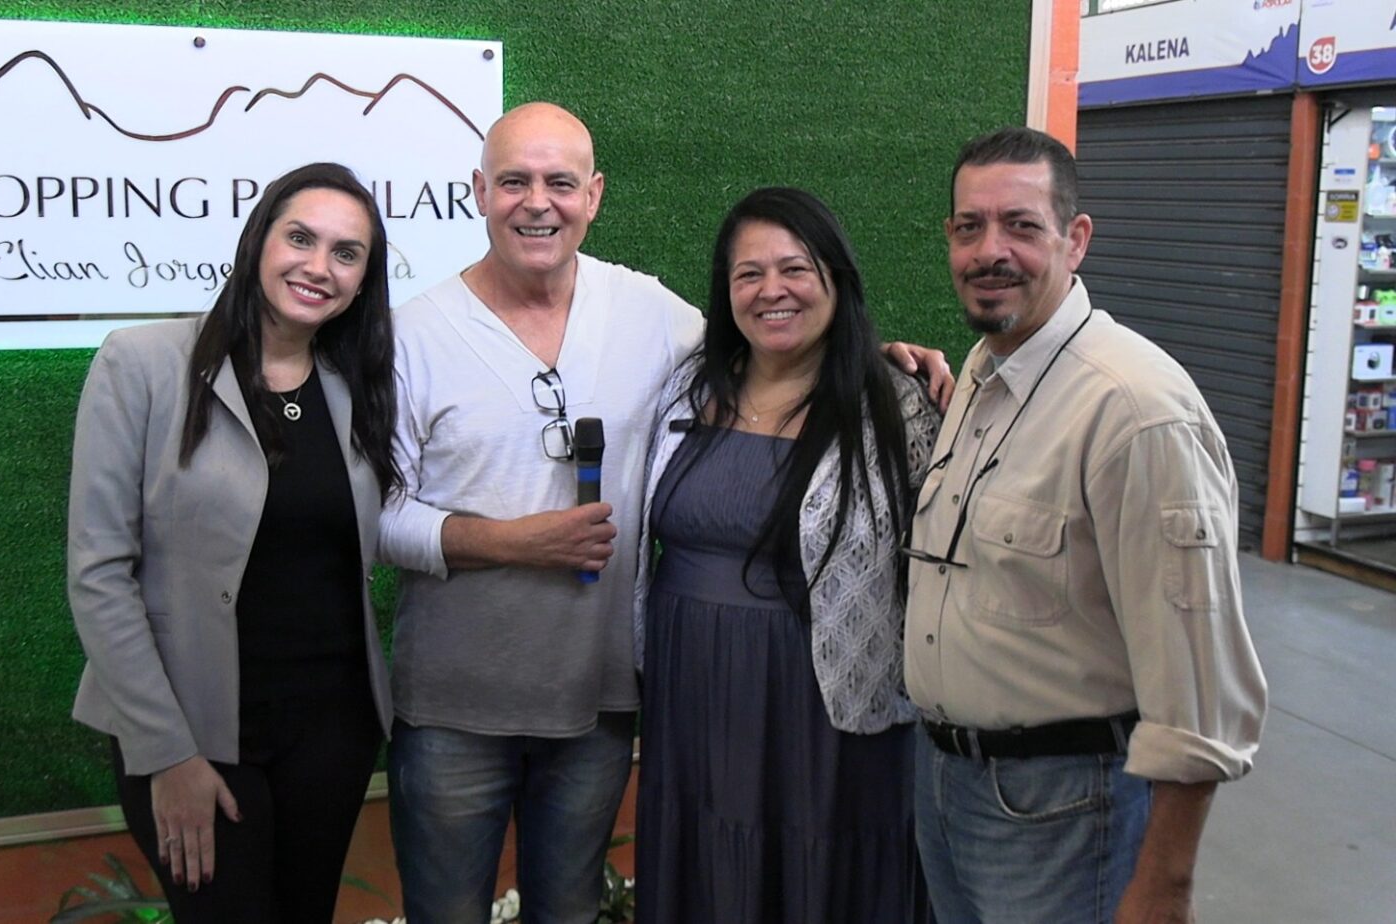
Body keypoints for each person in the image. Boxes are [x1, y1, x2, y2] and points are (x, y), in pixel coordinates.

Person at [376, 102, 951, 924]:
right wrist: (508, 543)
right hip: (453, 707)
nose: (537, 202)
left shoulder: (650, 314)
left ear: (594, 195)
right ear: (478, 191)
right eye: (514, 181)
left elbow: (775, 334)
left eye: (560, 182)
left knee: (570, 911)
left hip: (602, 706)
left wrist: (884, 361)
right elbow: (376, 516)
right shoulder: (411, 334)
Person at [903, 126, 1269, 924]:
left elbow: (1198, 681)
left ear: (1076, 240)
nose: (989, 251)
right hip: (947, 788)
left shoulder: (1135, 410)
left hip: (1064, 811)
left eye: (1021, 226)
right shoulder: (985, 371)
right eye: (969, 227)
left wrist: (1165, 886)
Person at [67, 162, 399, 922]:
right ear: (258, 242)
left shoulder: (358, 382)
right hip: (196, 734)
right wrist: (167, 755)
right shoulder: (141, 363)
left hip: (331, 733)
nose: (319, 266)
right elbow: (98, 573)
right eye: (300, 238)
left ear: (362, 282)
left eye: (346, 253)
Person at [630, 186, 939, 923]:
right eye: (749, 274)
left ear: (837, 278)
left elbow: (936, 569)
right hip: (690, 699)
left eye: (795, 268)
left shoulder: (896, 406)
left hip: (824, 715)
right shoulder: (686, 387)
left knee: (816, 874)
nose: (772, 290)